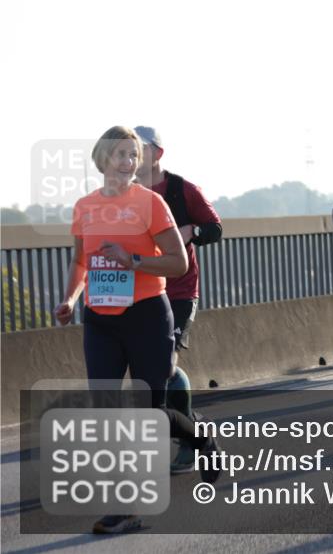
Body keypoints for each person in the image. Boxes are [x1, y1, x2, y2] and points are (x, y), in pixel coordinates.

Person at [54, 126, 221, 534]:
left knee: (149, 415)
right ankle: (126, 507)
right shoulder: (85, 207)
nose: (130, 162)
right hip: (100, 320)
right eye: (122, 155)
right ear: (103, 158)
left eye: (135, 156)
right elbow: (81, 262)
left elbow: (178, 264)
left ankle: (200, 440)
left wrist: (133, 260)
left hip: (147, 315)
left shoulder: (152, 204)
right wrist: (71, 299)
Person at [134, 126, 223, 473]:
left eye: (140, 149)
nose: (133, 156)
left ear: (157, 154)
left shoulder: (182, 190)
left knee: (166, 366)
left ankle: (192, 440)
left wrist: (191, 232)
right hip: (142, 294)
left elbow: (215, 228)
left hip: (180, 291)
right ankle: (190, 435)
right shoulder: (126, 196)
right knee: (153, 372)